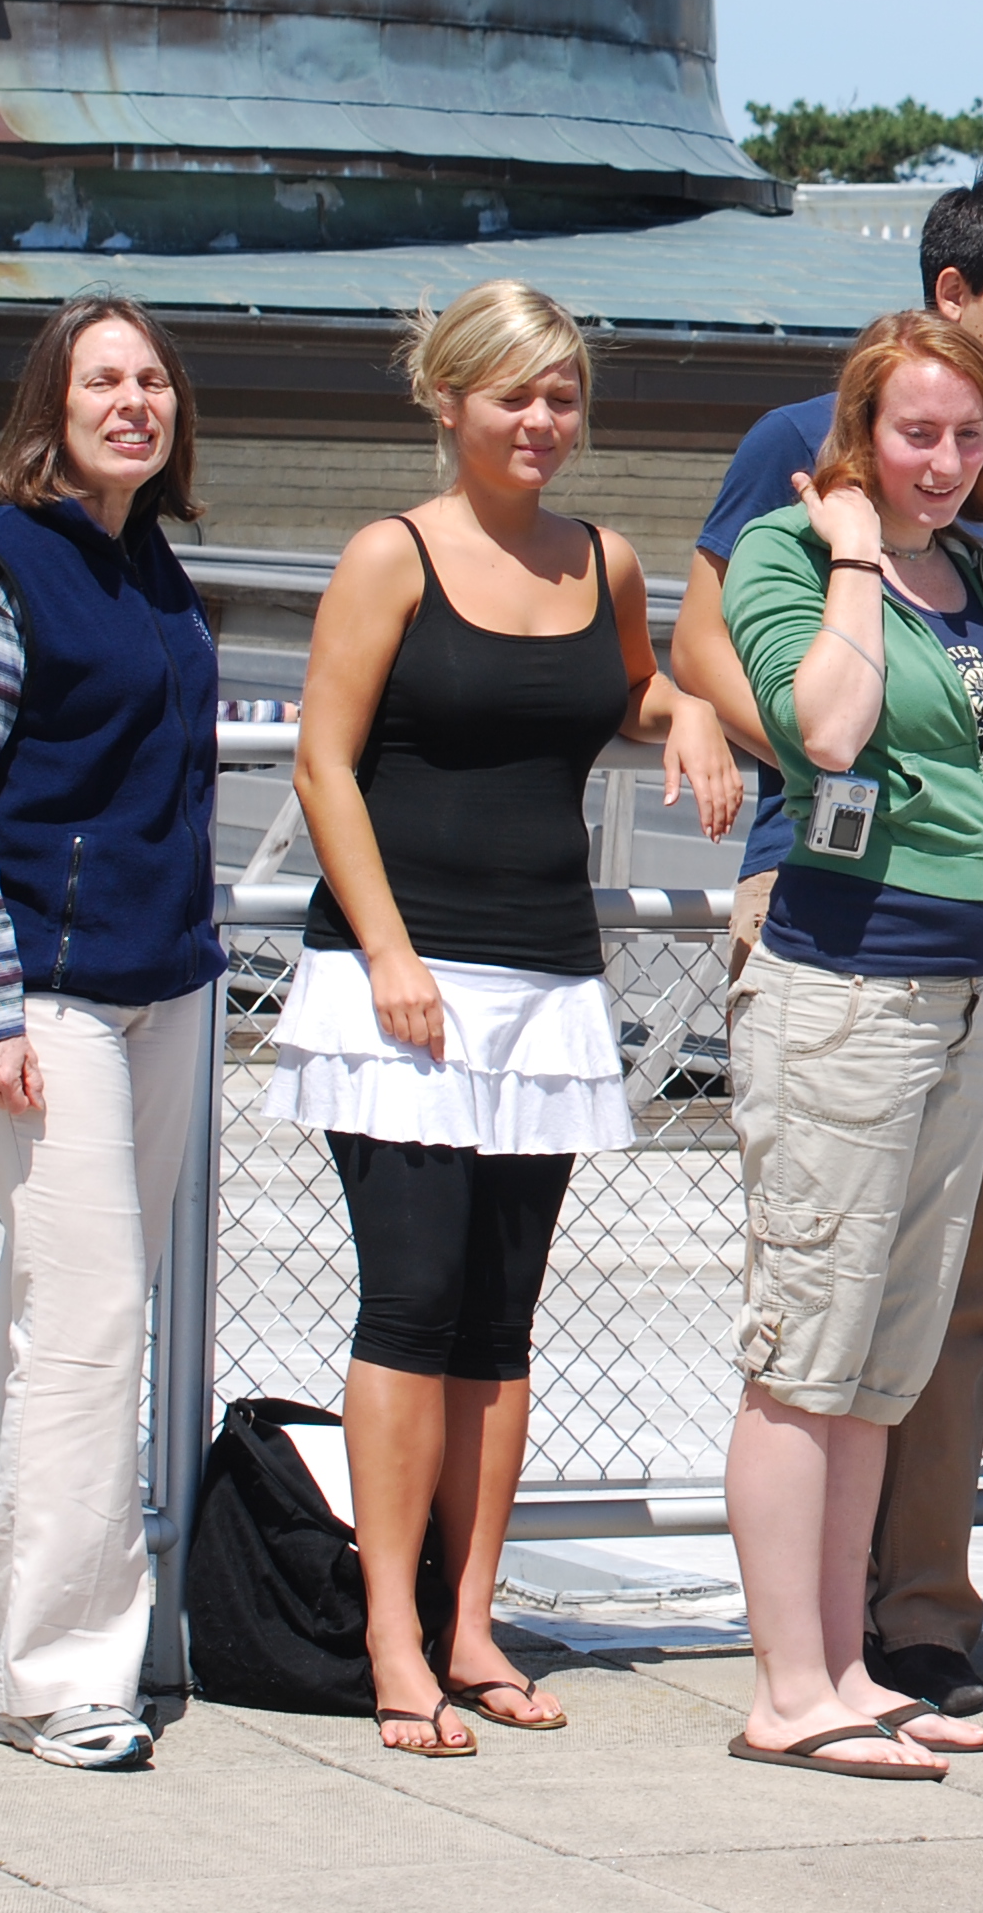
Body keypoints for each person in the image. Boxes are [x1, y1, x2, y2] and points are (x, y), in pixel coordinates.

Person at [272, 281, 739, 1757]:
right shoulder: (389, 555)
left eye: (561, 396)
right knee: (409, 1310)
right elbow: (323, 765)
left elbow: (627, 693)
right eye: (513, 395)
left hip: (545, 983)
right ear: (449, 400)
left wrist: (690, 709)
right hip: (400, 986)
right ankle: (390, 1634)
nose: (542, 422)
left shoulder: (604, 559)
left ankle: (471, 1623)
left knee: (499, 1322)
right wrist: (390, 952)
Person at [669, 170, 983, 1718]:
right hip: (834, 936)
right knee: (815, 1326)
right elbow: (742, 662)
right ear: (946, 294)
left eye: (969, 436)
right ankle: (797, 1672)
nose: (952, 454)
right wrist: (762, 738)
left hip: (968, 951)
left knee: (920, 1321)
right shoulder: (804, 474)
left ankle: (889, 1642)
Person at [0, 295, 223, 1771]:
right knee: (90, 1331)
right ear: (54, 403)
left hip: (162, 985)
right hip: (40, 991)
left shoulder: (152, 567)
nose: (134, 401)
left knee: (55, 1326)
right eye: (104, 380)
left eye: (153, 380)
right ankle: (71, 1680)